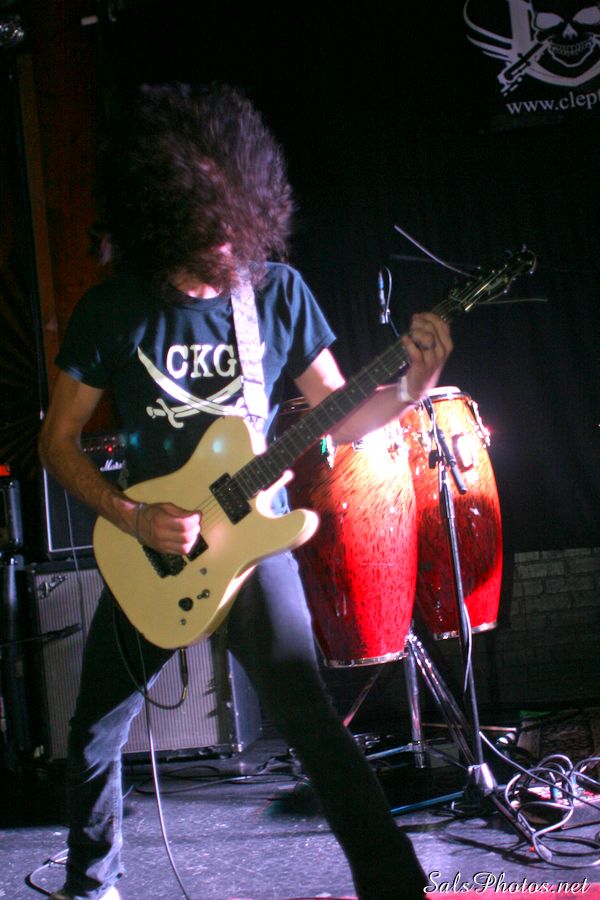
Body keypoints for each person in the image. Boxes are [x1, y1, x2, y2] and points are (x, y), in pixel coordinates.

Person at [38, 83, 452, 900]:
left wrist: (409, 391)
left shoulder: (276, 293)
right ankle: (92, 887)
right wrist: (131, 515)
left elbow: (341, 413)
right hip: (154, 552)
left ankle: (395, 887)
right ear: (162, 220)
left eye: (238, 222)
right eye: (207, 229)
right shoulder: (112, 310)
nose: (230, 243)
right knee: (92, 735)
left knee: (318, 733)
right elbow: (56, 441)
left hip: (256, 546)